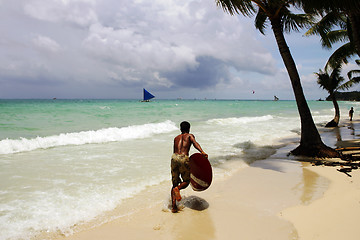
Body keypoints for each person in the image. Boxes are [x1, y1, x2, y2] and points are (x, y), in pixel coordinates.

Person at [170, 121, 208, 213]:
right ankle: (177, 189)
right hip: (184, 158)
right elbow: (195, 143)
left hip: (174, 158)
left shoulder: (176, 138)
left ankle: (174, 207)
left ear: (180, 129)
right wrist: (202, 152)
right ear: (189, 128)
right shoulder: (190, 136)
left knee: (174, 183)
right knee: (186, 181)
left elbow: (174, 151)